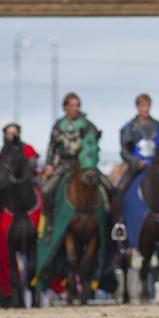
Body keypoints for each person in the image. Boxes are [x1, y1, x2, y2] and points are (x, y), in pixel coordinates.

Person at [42, 93, 113, 230]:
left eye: (77, 106)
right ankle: (51, 223)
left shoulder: (87, 125)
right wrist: (49, 163)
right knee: (46, 191)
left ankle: (110, 224)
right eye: (72, 105)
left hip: (84, 165)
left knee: (109, 187)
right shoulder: (58, 125)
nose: (75, 108)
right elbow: (52, 146)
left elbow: (93, 143)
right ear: (65, 107)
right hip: (64, 164)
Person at [113, 93, 159, 228]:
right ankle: (119, 224)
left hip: (157, 169)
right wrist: (135, 161)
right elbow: (124, 151)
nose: (146, 109)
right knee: (120, 189)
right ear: (137, 107)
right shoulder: (129, 128)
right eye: (143, 106)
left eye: (148, 106)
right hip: (136, 168)